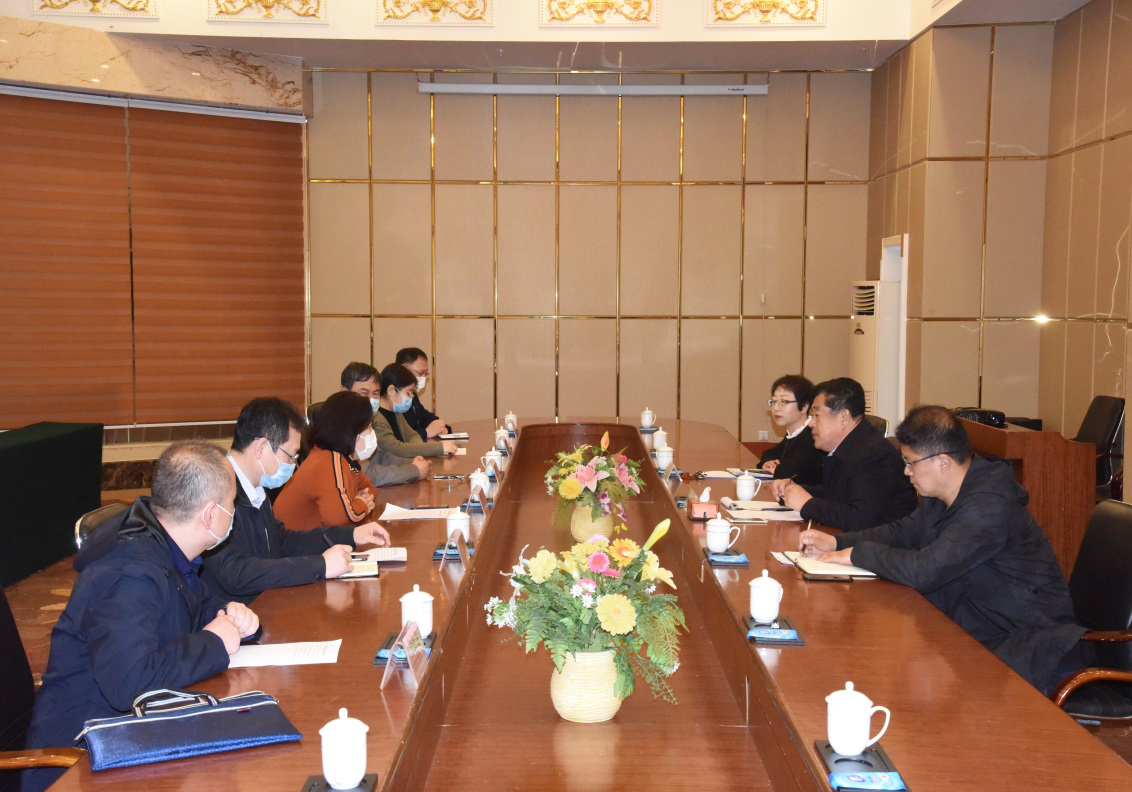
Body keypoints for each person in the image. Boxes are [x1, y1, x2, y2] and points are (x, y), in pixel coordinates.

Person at [24, 442, 261, 791]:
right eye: (232, 504)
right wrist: (213, 642)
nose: (234, 514)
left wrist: (233, 616)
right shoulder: (128, 572)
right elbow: (129, 683)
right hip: (81, 759)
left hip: (135, 734)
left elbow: (198, 608)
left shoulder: (170, 548)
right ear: (210, 514)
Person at [799, 405, 1087, 691]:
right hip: (979, 628)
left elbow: (925, 571)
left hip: (1031, 647)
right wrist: (838, 542)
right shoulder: (945, 494)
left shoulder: (987, 508)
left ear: (943, 462)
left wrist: (858, 554)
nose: (906, 472)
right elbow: (903, 532)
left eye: (911, 462)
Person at [203, 398, 390, 604]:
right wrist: (320, 566)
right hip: (233, 612)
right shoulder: (215, 492)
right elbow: (236, 573)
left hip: (266, 602)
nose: (293, 464)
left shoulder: (255, 488)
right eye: (291, 456)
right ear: (262, 448)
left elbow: (282, 541)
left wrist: (351, 535)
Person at [771, 377, 916, 532]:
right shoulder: (848, 446)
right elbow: (835, 494)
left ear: (844, 417)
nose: (811, 423)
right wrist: (795, 489)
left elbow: (860, 518)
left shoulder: (874, 453)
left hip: (881, 544)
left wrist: (807, 503)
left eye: (817, 415)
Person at [276, 392, 388, 531]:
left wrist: (356, 502)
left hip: (316, 539)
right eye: (369, 427)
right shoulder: (328, 462)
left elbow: (369, 488)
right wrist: (362, 505)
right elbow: (339, 519)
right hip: (293, 542)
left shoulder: (346, 458)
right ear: (351, 431)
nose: (372, 432)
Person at [340, 361, 430, 485]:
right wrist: (414, 470)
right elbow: (367, 474)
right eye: (364, 393)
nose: (370, 399)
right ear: (344, 391)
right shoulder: (339, 425)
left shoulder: (367, 418)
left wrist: (415, 463)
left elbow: (381, 457)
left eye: (375, 393)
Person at [375, 363, 456, 459]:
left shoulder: (396, 412)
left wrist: (416, 451)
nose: (410, 397)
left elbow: (413, 435)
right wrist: (439, 448)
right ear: (391, 390)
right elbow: (397, 449)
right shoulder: (377, 418)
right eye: (408, 392)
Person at [758, 374, 824, 486]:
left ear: (804, 407)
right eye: (774, 401)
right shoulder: (793, 433)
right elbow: (769, 453)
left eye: (784, 402)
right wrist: (768, 462)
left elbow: (789, 472)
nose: (776, 408)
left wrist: (778, 469)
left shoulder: (812, 436)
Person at [394, 347, 451, 441]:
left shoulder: (412, 394)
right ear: (403, 369)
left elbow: (424, 417)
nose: (423, 378)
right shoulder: (392, 397)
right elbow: (398, 436)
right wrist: (426, 432)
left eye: (426, 374)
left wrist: (441, 427)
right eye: (420, 373)